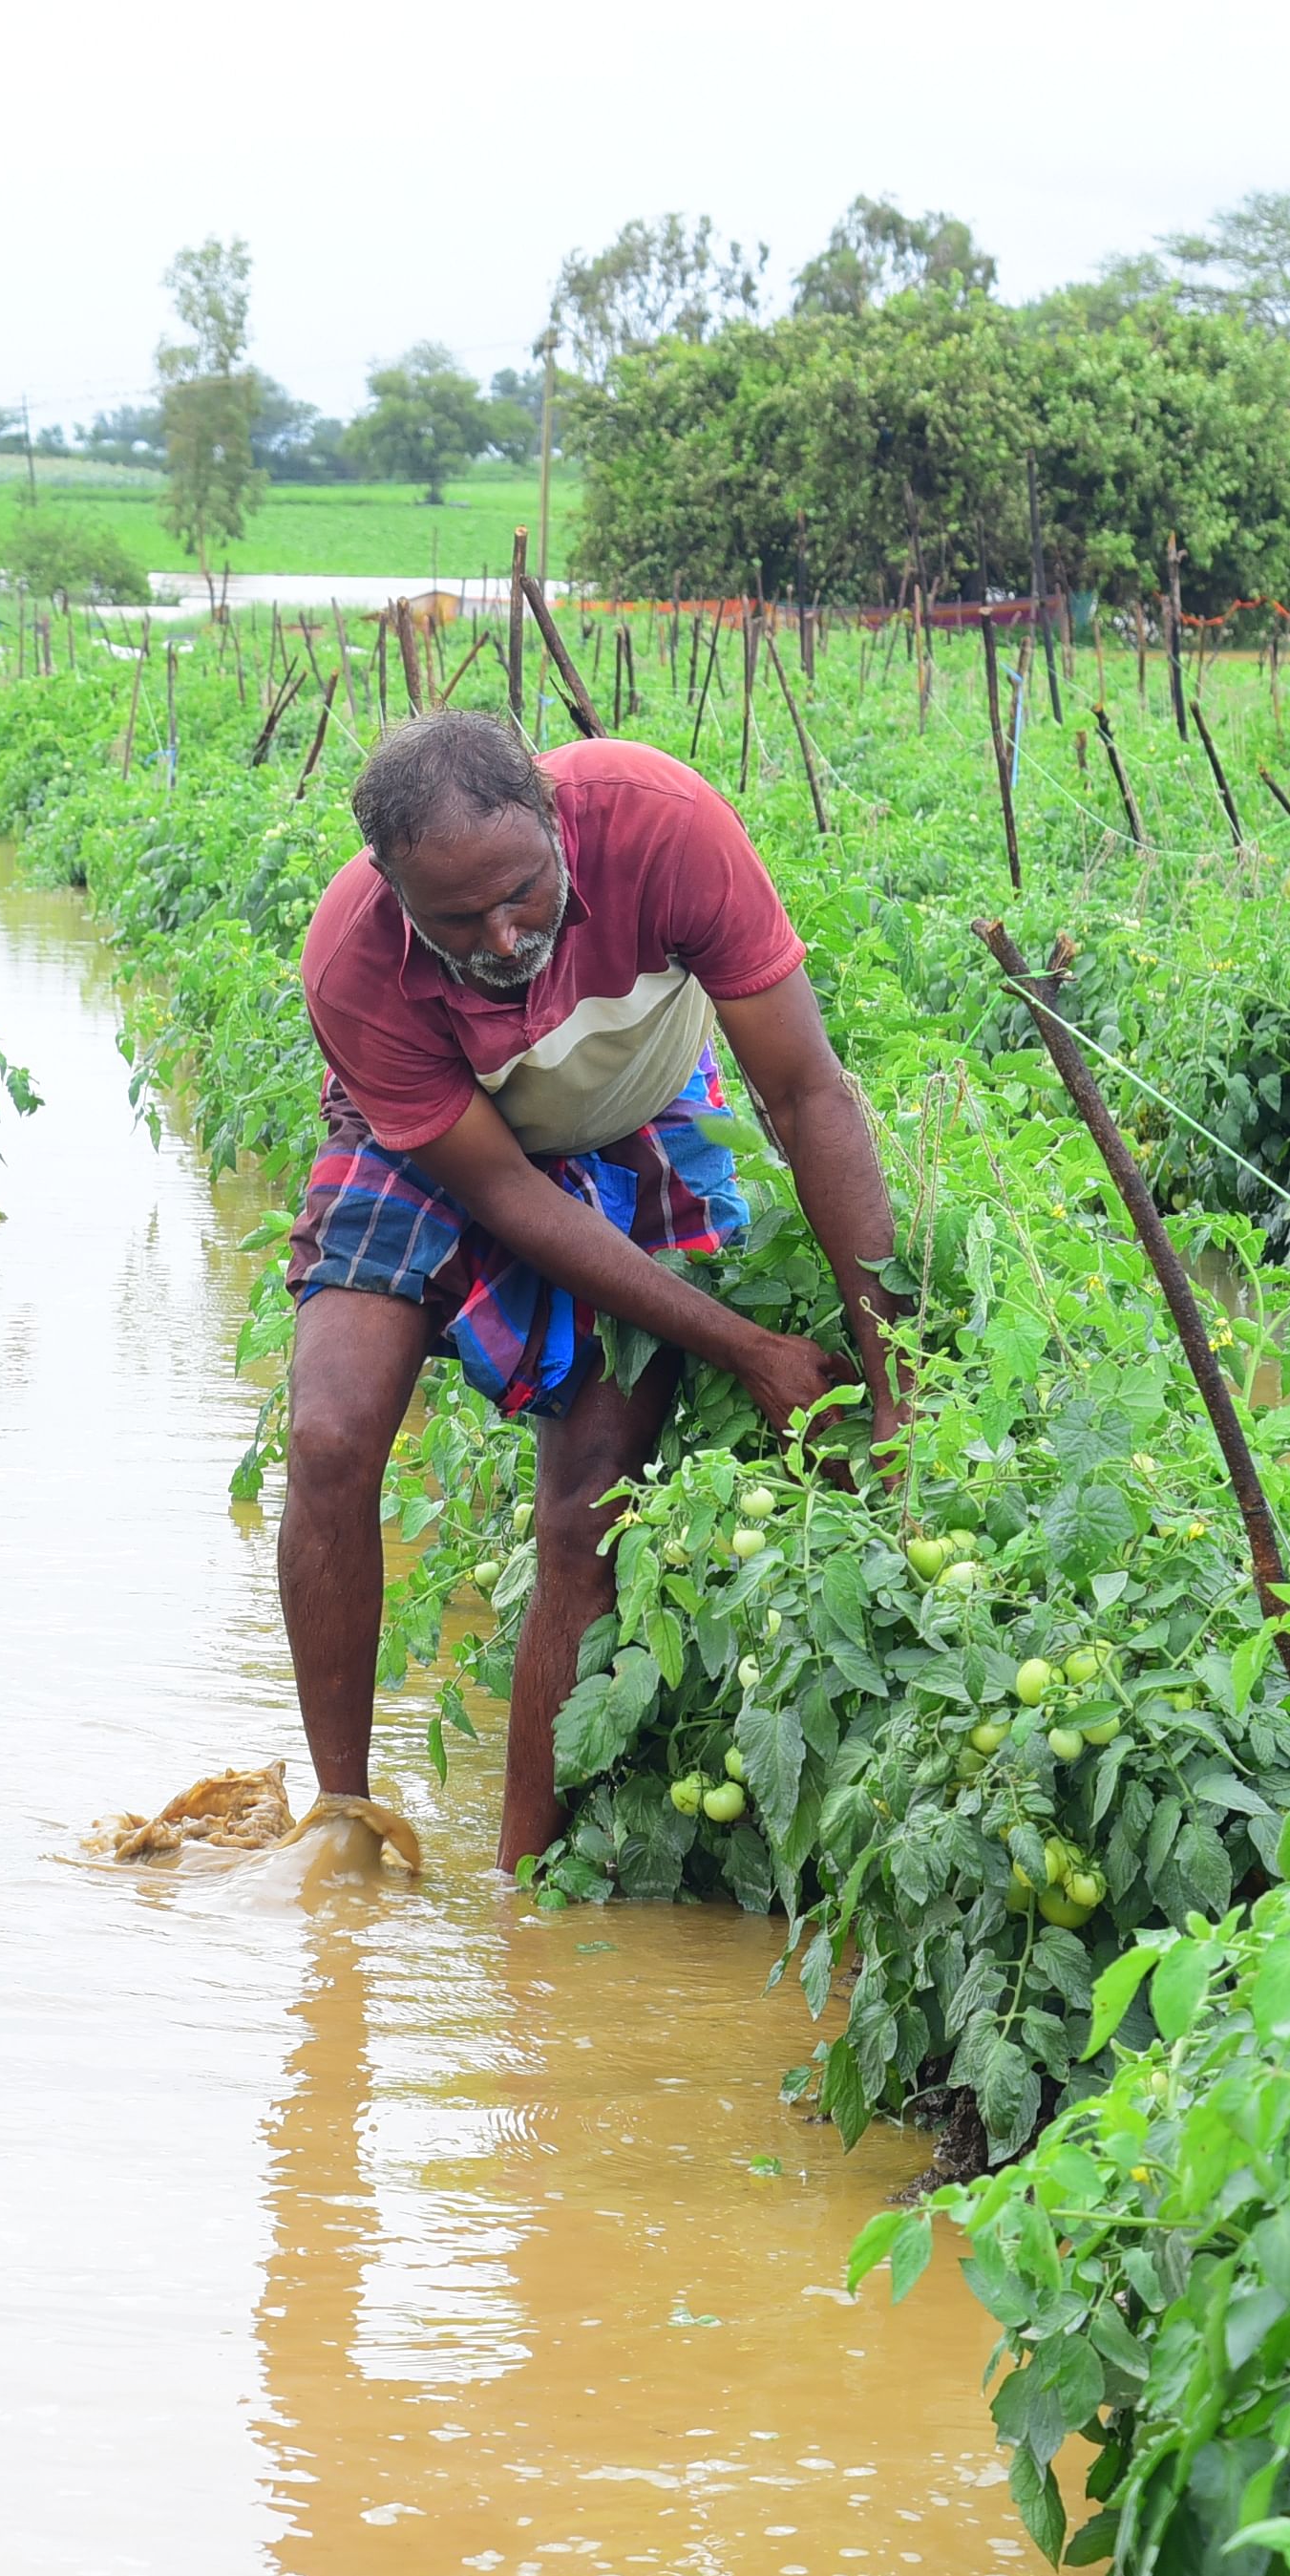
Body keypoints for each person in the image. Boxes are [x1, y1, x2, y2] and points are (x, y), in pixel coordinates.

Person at [277, 710, 906, 1875]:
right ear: (393, 891)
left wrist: (894, 1385)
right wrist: (743, 1347)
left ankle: (523, 1889)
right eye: (456, 919)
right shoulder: (354, 956)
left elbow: (807, 1093)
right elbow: (508, 1198)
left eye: (523, 892)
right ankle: (343, 1822)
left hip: (639, 1109)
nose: (505, 936)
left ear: (556, 821)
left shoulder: (665, 829)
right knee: (326, 1436)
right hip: (440, 1138)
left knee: (588, 1504)